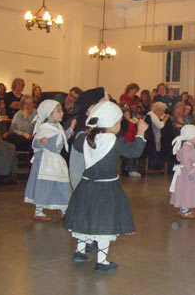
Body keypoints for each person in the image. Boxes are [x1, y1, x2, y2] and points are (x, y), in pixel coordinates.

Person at [63, 101, 148, 272]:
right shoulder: (114, 141)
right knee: (104, 224)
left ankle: (80, 252)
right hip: (106, 189)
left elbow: (77, 142)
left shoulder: (88, 138)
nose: (120, 125)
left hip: (85, 186)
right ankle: (102, 262)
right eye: (118, 122)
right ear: (110, 123)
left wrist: (88, 124)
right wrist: (140, 132)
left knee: (85, 218)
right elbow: (134, 152)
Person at [24, 100, 77, 221]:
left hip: (56, 160)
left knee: (62, 183)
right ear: (49, 114)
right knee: (44, 184)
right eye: (58, 111)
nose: (61, 113)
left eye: (61, 110)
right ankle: (38, 211)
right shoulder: (44, 128)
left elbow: (62, 137)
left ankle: (64, 209)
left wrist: (71, 128)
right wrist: (40, 142)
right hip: (46, 161)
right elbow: (35, 145)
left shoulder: (58, 127)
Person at [170, 125, 195, 219]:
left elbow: (179, 157)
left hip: (185, 173)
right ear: (190, 137)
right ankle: (184, 210)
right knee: (187, 191)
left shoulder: (187, 147)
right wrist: (194, 171)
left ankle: (184, 208)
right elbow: (186, 162)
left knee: (186, 190)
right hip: (187, 174)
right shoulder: (187, 149)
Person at [143, 102, 172, 169]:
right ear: (155, 110)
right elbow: (160, 126)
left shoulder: (155, 115)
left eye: (162, 110)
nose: (161, 112)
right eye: (159, 110)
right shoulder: (151, 115)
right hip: (150, 141)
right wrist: (165, 119)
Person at [119, 105, 142, 177]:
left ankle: (130, 169)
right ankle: (129, 169)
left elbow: (134, 133)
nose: (127, 116)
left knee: (131, 152)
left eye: (128, 114)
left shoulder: (131, 124)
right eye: (125, 115)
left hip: (131, 141)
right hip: (124, 142)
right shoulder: (121, 124)